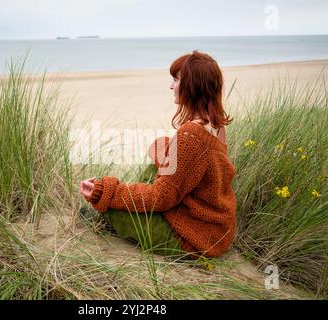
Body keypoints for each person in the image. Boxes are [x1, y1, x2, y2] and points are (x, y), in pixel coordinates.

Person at [79, 50, 237, 259]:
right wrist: (161, 152)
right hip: (218, 231)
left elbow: (160, 198)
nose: (171, 86)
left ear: (191, 85)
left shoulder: (191, 134)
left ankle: (102, 218)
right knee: (157, 156)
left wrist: (104, 191)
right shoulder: (216, 126)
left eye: (176, 79)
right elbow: (188, 166)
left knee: (109, 207)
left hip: (192, 240)